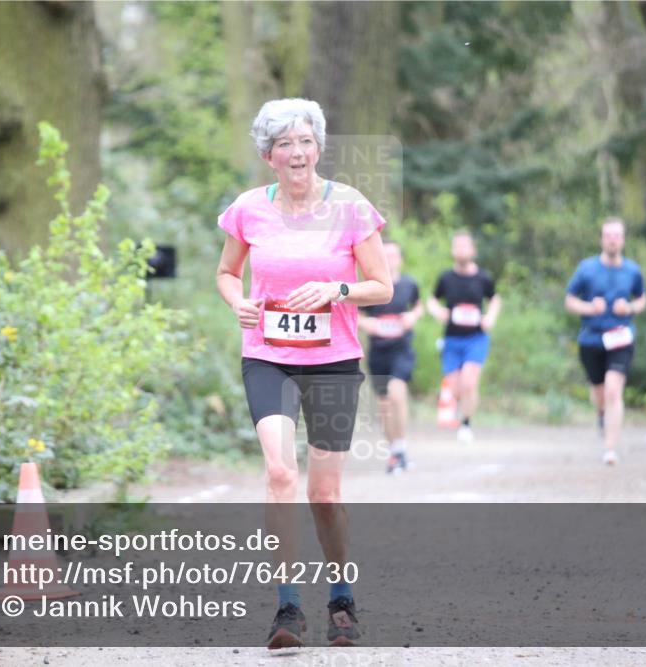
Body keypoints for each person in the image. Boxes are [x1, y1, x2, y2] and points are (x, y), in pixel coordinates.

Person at [215, 98, 392, 648]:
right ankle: (287, 610)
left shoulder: (352, 207)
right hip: (267, 355)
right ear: (269, 156)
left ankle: (341, 596)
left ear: (318, 148)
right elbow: (226, 272)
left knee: (323, 493)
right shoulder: (248, 208)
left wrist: (338, 290)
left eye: (305, 142)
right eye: (284, 144)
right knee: (279, 475)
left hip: (333, 361)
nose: (297, 153)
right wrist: (236, 301)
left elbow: (381, 286)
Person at [564, 217, 646, 465]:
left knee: (613, 390)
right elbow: (569, 300)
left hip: (621, 337)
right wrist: (589, 307)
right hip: (591, 339)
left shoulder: (633, 270)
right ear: (602, 239)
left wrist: (630, 307)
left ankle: (610, 448)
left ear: (623, 240)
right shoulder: (586, 268)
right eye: (608, 235)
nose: (612, 239)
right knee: (599, 392)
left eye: (617, 235)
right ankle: (601, 413)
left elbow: (642, 299)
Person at [426, 232, 502, 443]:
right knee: (456, 387)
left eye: (465, 246)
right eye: (457, 246)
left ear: (473, 250)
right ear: (452, 251)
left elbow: (495, 299)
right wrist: (438, 312)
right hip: (451, 340)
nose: (461, 250)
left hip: (476, 339)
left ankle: (466, 423)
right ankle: (463, 407)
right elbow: (431, 300)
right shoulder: (446, 278)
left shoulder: (483, 278)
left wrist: (490, 317)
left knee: (469, 382)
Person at [359, 241, 423, 474]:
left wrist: (412, 317)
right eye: (385, 254)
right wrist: (370, 324)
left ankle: (402, 445)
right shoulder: (370, 287)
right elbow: (356, 316)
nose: (390, 258)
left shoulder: (409, 284)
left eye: (394, 254)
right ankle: (395, 452)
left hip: (402, 349)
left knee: (397, 391)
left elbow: (419, 306)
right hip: (378, 352)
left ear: (400, 259)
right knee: (384, 405)